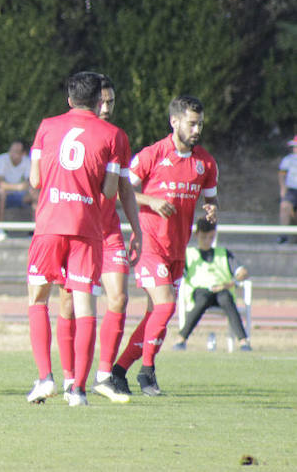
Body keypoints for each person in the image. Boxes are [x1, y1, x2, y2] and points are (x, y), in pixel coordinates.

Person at [25, 71, 132, 407]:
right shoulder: (113, 135)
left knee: (39, 299)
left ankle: (45, 379)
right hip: (87, 229)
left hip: (49, 226)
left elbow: (34, 179)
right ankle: (79, 391)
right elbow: (111, 190)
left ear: (70, 99)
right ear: (98, 100)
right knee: (85, 306)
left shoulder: (46, 126)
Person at [111, 95, 219, 397]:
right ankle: (147, 372)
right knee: (167, 305)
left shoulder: (205, 162)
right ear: (175, 122)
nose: (197, 129)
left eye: (199, 124)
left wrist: (212, 209)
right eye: (191, 123)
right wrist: (152, 201)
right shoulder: (152, 154)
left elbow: (211, 198)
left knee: (155, 316)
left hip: (176, 248)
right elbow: (122, 192)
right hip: (149, 243)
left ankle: (118, 371)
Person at [55, 74, 142, 404]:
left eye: (111, 103)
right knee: (67, 303)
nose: (106, 107)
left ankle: (104, 375)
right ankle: (68, 378)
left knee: (118, 298)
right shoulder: (75, 133)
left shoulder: (115, 139)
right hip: (78, 232)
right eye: (102, 101)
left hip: (107, 234)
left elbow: (124, 190)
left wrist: (137, 230)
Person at [172, 217, 251, 351]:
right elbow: (178, 272)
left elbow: (242, 272)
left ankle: (243, 342)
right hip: (200, 291)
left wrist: (230, 283)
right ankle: (181, 339)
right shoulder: (189, 253)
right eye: (204, 237)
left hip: (222, 289)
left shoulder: (224, 253)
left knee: (226, 299)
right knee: (203, 299)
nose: (208, 241)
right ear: (197, 235)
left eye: (211, 237)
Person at [0, 140, 36, 239]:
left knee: (35, 193)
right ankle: (0, 228)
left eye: (16, 151)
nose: (12, 154)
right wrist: (19, 187)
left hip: (20, 196)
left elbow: (32, 183)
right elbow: (0, 185)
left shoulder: (27, 162)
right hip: (1, 196)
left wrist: (24, 187)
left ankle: (34, 230)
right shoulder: (1, 160)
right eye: (11, 150)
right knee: (1, 192)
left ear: (23, 154)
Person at [278, 135, 297, 243]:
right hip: (291, 190)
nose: (295, 149)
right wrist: (282, 188)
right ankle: (283, 235)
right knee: (284, 207)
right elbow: (281, 175)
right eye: (294, 146)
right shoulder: (287, 159)